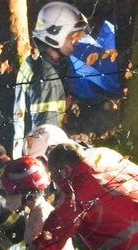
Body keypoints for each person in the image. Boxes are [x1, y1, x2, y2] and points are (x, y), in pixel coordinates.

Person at [11, 2, 88, 158]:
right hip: (40, 163)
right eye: (73, 35)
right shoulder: (48, 78)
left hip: (24, 157)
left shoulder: (33, 63)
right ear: (55, 34)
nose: (77, 41)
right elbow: (45, 138)